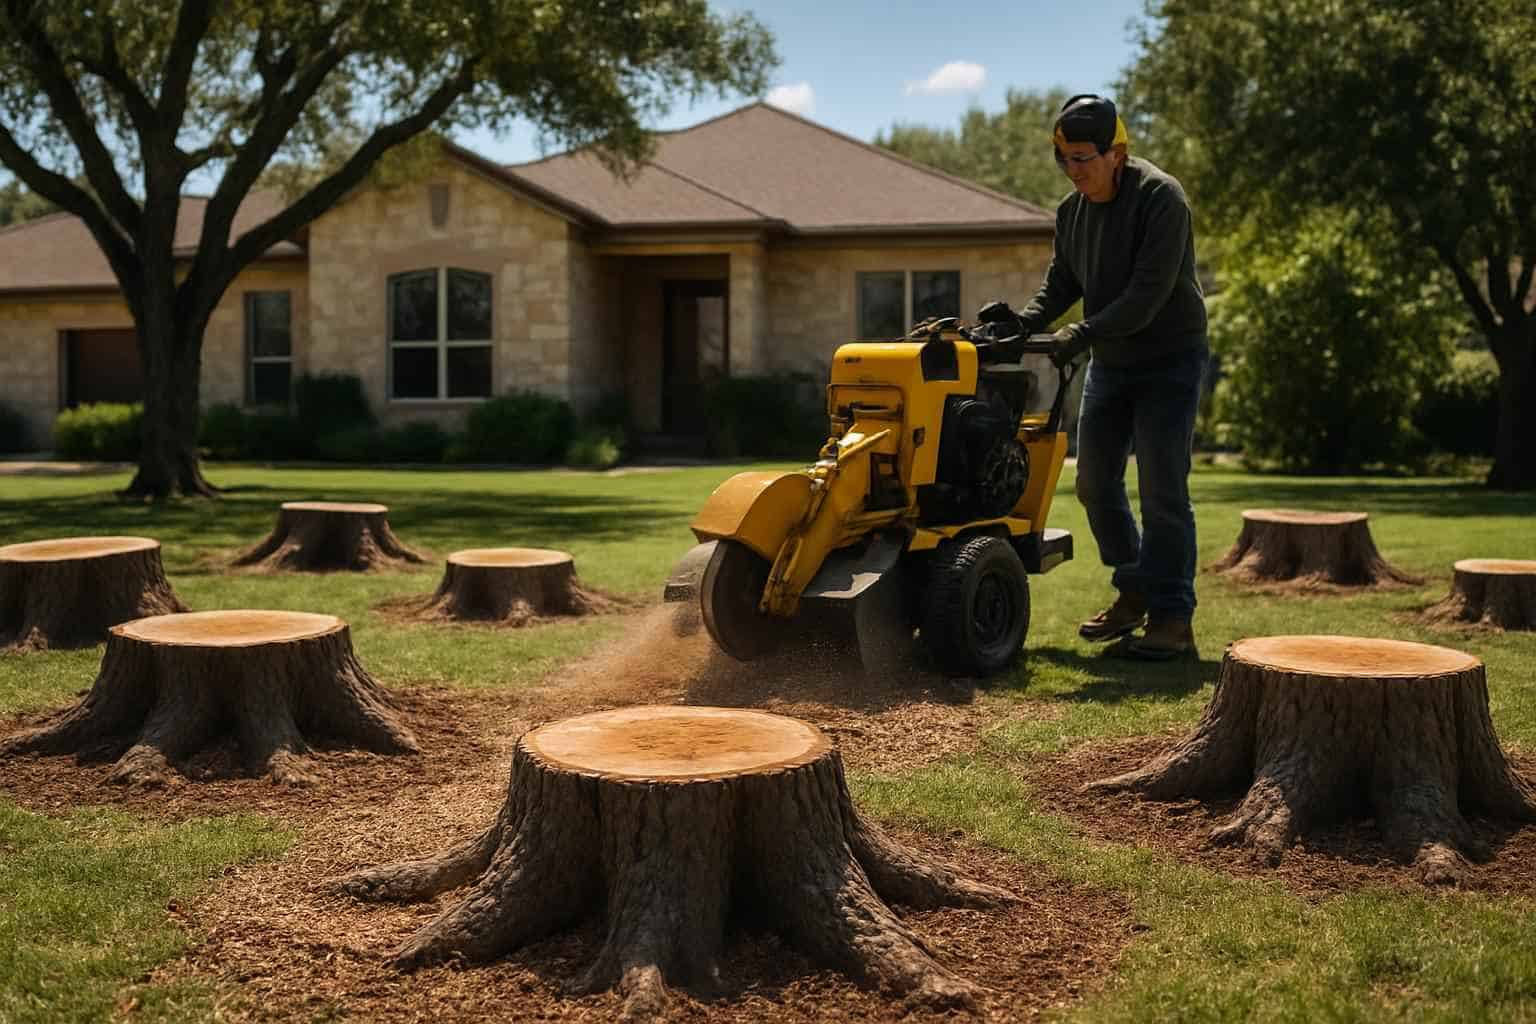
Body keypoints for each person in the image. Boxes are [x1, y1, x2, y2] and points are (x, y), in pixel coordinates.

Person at [979, 94, 1208, 659]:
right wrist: (1022, 324)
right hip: (1113, 359)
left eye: (1082, 158)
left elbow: (1147, 295)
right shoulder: (1071, 211)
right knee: (1094, 484)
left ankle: (1174, 618)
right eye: (1063, 158)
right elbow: (1062, 284)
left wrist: (1081, 334)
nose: (1073, 170)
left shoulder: (1161, 198)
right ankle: (1134, 590)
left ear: (1117, 152)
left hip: (1169, 359)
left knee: (1162, 488)